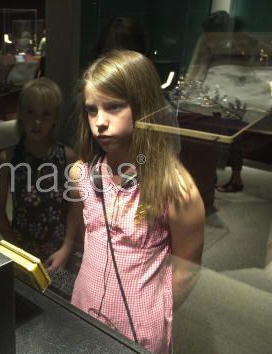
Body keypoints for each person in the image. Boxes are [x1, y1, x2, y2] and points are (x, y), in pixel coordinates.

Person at [68, 50, 204, 353]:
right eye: (92, 110)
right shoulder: (83, 174)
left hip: (139, 329)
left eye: (114, 107)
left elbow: (186, 270)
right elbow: (86, 236)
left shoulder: (176, 190)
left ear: (143, 108)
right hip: (83, 309)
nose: (100, 122)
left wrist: (153, 312)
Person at [0, 78, 77, 271]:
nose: (37, 121)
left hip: (59, 251)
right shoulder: (7, 159)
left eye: (45, 114)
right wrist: (19, 251)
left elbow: (75, 208)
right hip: (22, 249)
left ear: (55, 117)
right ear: (21, 114)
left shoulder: (68, 157)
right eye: (30, 112)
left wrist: (67, 247)